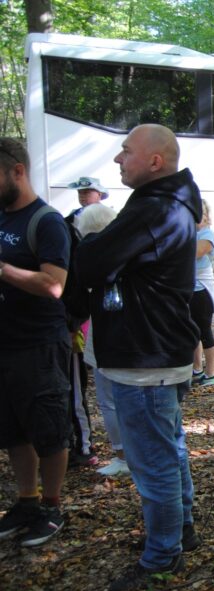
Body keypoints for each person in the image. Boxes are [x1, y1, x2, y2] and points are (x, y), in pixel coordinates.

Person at [74, 124, 204, 591]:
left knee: (154, 462)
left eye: (125, 151)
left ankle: (162, 554)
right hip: (150, 351)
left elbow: (88, 264)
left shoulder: (157, 209)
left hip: (144, 356)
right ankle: (180, 530)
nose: (117, 160)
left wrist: (94, 250)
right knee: (167, 449)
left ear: (155, 161)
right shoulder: (162, 204)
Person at [0, 137, 72, 547]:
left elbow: (55, 286)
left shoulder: (46, 221)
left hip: (39, 345)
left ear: (17, 171)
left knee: (49, 431)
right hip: (5, 344)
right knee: (13, 431)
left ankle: (51, 504)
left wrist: (4, 270)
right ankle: (26, 501)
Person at [69, 203, 131, 478]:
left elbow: (78, 298)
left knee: (108, 399)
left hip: (104, 336)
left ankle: (122, 455)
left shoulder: (90, 258)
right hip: (126, 337)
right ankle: (130, 454)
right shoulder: (128, 252)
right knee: (124, 398)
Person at [63, 177, 111, 468]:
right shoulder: (68, 224)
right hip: (82, 327)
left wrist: (73, 323)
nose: (83, 195)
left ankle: (83, 445)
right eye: (80, 192)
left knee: (80, 389)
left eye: (88, 191)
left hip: (82, 329)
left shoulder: (109, 232)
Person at [190, 200, 214, 387]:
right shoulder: (189, 233)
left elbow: (196, 252)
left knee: (204, 332)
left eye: (199, 214)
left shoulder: (207, 235)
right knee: (191, 332)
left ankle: (211, 372)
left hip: (202, 290)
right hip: (187, 289)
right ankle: (196, 368)